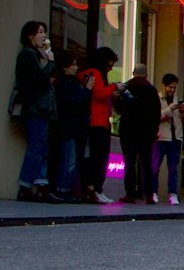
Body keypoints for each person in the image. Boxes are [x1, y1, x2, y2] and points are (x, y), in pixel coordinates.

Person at [13, 21, 56, 202]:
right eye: (40, 32)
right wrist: (51, 63)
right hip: (36, 108)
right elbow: (40, 80)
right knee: (36, 147)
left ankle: (41, 184)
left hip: (40, 109)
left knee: (42, 147)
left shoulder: (34, 56)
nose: (43, 35)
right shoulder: (28, 55)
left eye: (44, 32)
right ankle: (25, 186)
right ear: (31, 35)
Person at [115, 64, 161, 203]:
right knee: (146, 163)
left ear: (133, 72)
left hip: (128, 130)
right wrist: (154, 131)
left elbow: (118, 108)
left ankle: (130, 193)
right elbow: (156, 113)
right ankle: (148, 194)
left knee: (129, 162)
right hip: (146, 133)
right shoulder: (151, 90)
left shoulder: (126, 87)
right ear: (146, 74)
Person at [80, 47, 119, 203]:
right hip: (98, 122)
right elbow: (99, 94)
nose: (110, 69)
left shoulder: (86, 74)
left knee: (92, 158)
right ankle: (96, 189)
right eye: (109, 65)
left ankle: (91, 189)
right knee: (99, 158)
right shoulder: (95, 74)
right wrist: (114, 87)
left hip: (93, 121)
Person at [52, 48, 91, 201]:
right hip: (69, 128)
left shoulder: (71, 83)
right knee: (69, 160)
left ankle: (66, 189)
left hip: (73, 128)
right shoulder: (64, 84)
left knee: (72, 160)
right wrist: (87, 90)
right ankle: (62, 189)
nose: (76, 67)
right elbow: (76, 102)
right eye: (73, 65)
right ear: (64, 67)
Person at [154, 73, 184, 205]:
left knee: (173, 169)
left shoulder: (177, 100)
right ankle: (153, 192)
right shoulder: (157, 99)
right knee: (155, 166)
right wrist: (170, 109)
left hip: (175, 139)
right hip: (161, 138)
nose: (172, 90)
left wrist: (183, 111)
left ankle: (172, 193)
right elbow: (156, 116)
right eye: (170, 87)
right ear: (164, 85)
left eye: (174, 88)